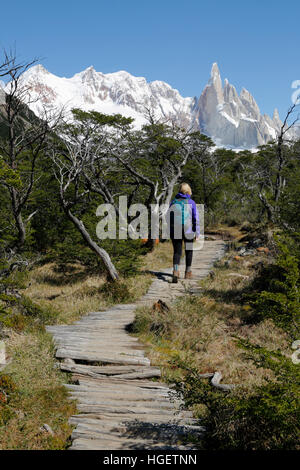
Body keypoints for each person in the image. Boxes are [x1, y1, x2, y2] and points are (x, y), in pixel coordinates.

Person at [168, 183, 200, 283]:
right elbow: (195, 219)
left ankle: (176, 271)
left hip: (176, 229)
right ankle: (188, 272)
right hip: (188, 229)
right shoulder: (191, 202)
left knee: (177, 252)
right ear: (188, 191)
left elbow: (168, 217)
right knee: (189, 251)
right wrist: (197, 232)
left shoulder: (173, 202)